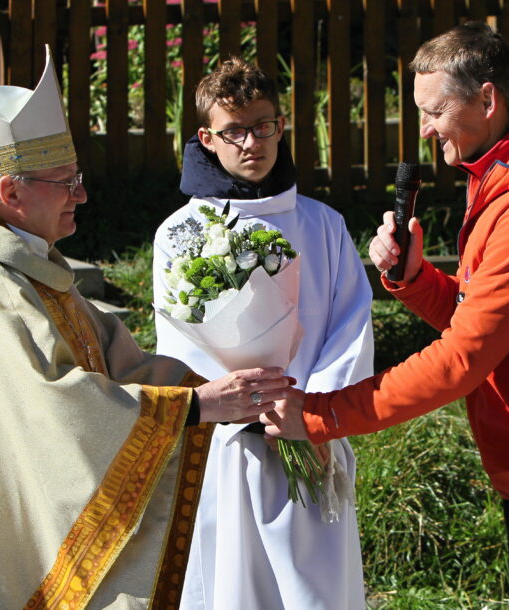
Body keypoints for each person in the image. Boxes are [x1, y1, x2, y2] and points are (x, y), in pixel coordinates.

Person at [262, 23, 509, 609]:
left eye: (435, 110)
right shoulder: (506, 176)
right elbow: (496, 325)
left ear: (488, 100)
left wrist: (319, 416)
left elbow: (465, 357)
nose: (424, 128)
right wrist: (416, 281)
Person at [0, 49, 292, 609]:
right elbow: (54, 409)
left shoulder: (33, 265)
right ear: (9, 193)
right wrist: (195, 407)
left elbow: (109, 355)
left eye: (76, 178)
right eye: (65, 182)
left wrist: (220, 389)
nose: (81, 194)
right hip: (9, 523)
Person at [153, 57, 373, 610]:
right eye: (234, 131)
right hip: (229, 440)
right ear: (206, 138)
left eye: (264, 125)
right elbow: (180, 338)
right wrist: (245, 403)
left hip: (311, 431)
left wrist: (311, 409)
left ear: (280, 125)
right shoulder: (180, 233)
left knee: (314, 588)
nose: (252, 142)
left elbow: (350, 324)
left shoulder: (323, 224)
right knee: (236, 584)